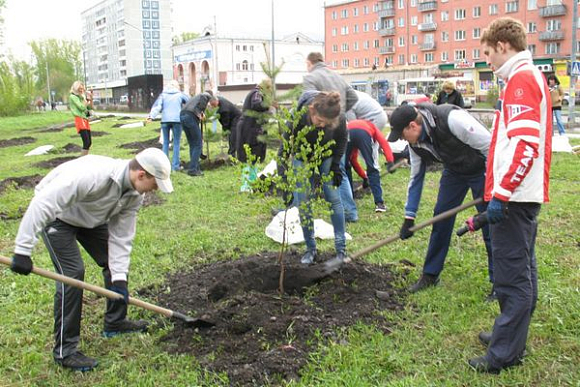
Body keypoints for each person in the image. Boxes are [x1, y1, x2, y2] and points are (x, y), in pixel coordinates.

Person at [9, 148, 174, 372]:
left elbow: (121, 237)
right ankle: (65, 351)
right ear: (141, 175)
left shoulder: (135, 194)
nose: (155, 190)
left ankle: (114, 322)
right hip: (59, 217)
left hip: (92, 219)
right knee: (72, 274)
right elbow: (43, 203)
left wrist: (119, 280)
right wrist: (22, 250)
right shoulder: (93, 175)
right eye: (155, 184)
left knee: (114, 264)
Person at [469, 17, 552, 374]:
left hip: (514, 198)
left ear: (503, 46)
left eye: (488, 53)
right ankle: (511, 336)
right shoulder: (525, 77)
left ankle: (504, 353)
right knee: (523, 270)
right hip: (520, 194)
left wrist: (501, 195)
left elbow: (525, 145)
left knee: (512, 276)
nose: (487, 61)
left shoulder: (520, 80)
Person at [388, 102, 493, 295]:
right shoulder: (415, 144)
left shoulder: (452, 120)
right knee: (441, 217)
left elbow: (491, 145)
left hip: (482, 168)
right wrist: (409, 217)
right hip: (454, 171)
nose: (403, 140)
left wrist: (492, 183)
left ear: (413, 126)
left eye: (402, 135)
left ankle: (500, 283)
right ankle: (430, 275)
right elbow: (416, 178)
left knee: (489, 223)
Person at [288, 91, 349, 266]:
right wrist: (286, 176)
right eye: (320, 121)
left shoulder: (338, 117)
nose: (322, 126)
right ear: (311, 110)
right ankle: (310, 249)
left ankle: (341, 250)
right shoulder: (298, 116)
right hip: (302, 156)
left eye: (327, 124)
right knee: (304, 201)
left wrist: (336, 165)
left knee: (333, 197)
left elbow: (342, 139)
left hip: (327, 154)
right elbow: (287, 145)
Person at [302, 52, 359, 222]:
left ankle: (302, 212)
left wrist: (322, 119)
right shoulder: (337, 76)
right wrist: (337, 114)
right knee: (338, 170)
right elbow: (353, 97)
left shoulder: (310, 77)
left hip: (319, 131)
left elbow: (307, 103)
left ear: (309, 62)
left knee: (308, 172)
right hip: (339, 127)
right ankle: (350, 212)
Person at [345, 119, 395, 212]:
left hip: (348, 131)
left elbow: (353, 161)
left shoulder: (357, 125)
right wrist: (390, 161)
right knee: (372, 167)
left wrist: (364, 177)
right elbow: (384, 143)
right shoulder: (373, 128)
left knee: (345, 165)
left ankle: (349, 199)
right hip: (363, 133)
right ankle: (379, 204)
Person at [236, 80, 275, 192]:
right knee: (249, 157)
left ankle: (251, 184)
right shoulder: (256, 93)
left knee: (253, 158)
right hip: (249, 130)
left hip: (251, 129)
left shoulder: (256, 93)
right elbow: (257, 104)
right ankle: (246, 186)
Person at [146, 80, 190, 171]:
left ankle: (164, 166)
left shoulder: (163, 95)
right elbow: (190, 102)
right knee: (176, 143)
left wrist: (151, 117)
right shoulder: (180, 95)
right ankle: (175, 166)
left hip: (165, 121)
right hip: (177, 121)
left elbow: (157, 107)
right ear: (177, 86)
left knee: (165, 143)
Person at [180, 90, 216, 176]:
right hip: (190, 117)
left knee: (193, 143)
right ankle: (193, 169)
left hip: (182, 116)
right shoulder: (205, 95)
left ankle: (195, 167)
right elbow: (199, 108)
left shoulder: (195, 98)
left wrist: (200, 114)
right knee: (198, 144)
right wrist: (201, 114)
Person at [69, 81, 94, 156]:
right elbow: (82, 107)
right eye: (79, 88)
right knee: (86, 142)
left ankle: (84, 158)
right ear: (75, 88)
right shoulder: (73, 97)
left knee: (89, 142)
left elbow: (90, 108)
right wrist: (87, 100)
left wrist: (91, 99)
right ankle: (82, 160)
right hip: (79, 119)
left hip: (85, 119)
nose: (81, 90)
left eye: (82, 88)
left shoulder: (82, 97)